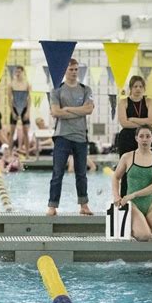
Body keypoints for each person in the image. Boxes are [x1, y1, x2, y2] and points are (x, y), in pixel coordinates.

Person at [47, 58, 94, 216]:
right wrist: (78, 110)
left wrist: (67, 109)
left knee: (81, 174)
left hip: (80, 136)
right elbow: (55, 112)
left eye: (76, 69)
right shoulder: (56, 89)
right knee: (57, 172)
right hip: (62, 136)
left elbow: (89, 110)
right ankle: (52, 206)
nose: (74, 72)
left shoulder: (85, 89)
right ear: (65, 71)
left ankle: (84, 205)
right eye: (71, 69)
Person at [112, 125, 152, 242]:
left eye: (147, 136)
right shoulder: (127, 157)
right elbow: (115, 177)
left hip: (150, 204)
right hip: (132, 204)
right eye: (141, 136)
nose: (144, 139)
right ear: (136, 138)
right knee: (144, 236)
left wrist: (134, 194)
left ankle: (144, 222)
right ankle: (137, 224)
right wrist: (116, 195)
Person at [8, 66, 31, 158]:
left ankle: (27, 153)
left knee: (26, 132)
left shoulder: (27, 84)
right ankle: (9, 153)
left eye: (19, 72)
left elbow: (29, 99)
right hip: (15, 109)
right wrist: (12, 112)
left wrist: (28, 112)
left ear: (23, 72)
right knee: (12, 132)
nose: (17, 73)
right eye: (16, 72)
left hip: (24, 108)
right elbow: (9, 100)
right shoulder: (11, 84)